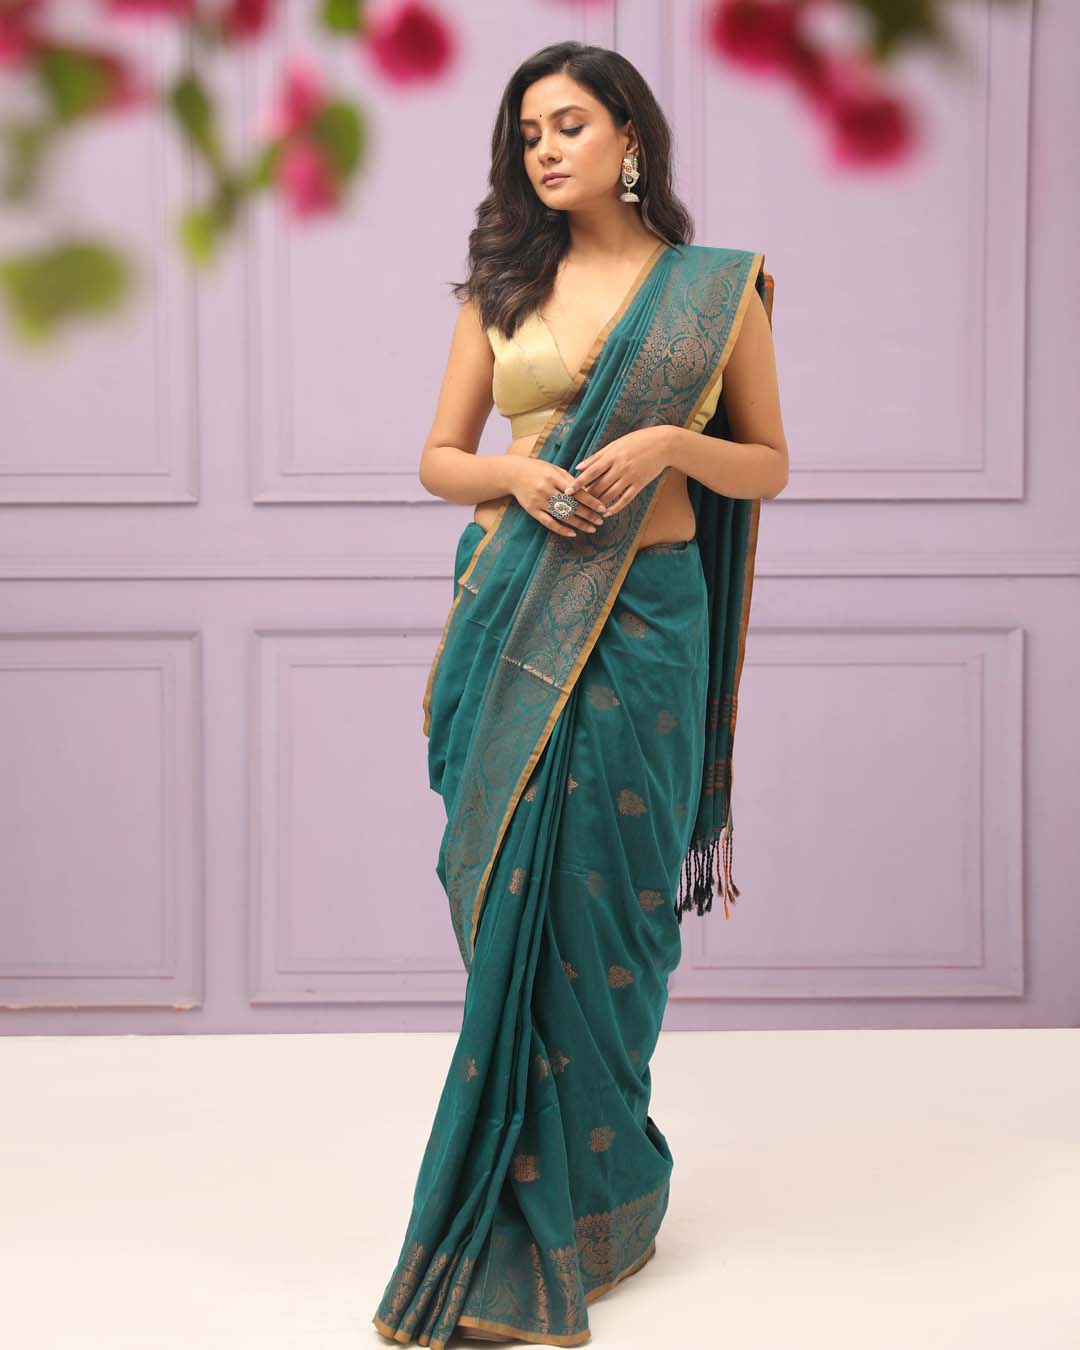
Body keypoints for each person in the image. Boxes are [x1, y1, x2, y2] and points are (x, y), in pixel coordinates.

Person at [373, 39, 788, 1350]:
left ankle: (607, 1206)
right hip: (509, 616)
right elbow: (441, 457)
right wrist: (516, 476)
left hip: (647, 619)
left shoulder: (713, 293)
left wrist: (668, 442)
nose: (546, 149)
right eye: (528, 133)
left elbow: (768, 464)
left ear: (630, 138)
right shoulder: (500, 287)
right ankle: (508, 1201)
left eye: (568, 125)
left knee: (614, 911)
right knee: (503, 895)